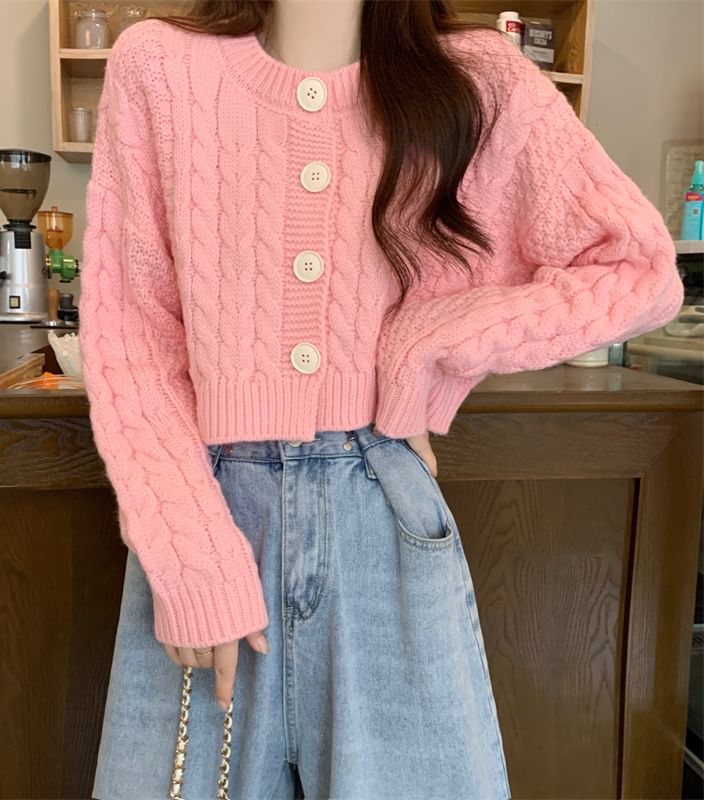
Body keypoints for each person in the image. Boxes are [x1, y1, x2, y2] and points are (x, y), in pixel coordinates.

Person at [79, 1, 684, 798]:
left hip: (382, 515)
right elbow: (133, 334)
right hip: (206, 513)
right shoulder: (156, 65)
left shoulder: (478, 78)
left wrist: (428, 346)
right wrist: (189, 557)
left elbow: (637, 266)